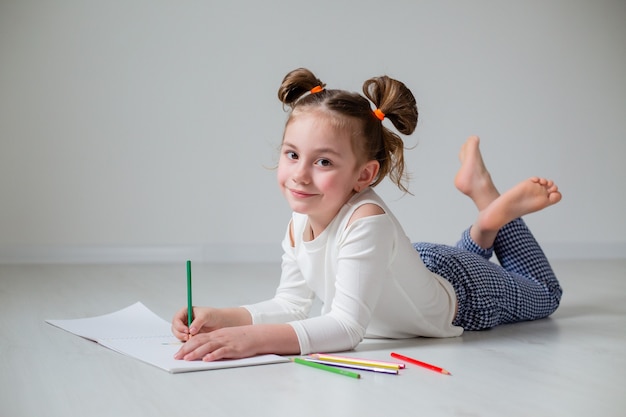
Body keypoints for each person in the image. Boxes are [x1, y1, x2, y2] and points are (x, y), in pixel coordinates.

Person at [172, 68, 563, 362]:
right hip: (418, 267)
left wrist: (251, 342)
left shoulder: (368, 221)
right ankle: (483, 215)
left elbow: (346, 328)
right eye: (292, 155)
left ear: (364, 175)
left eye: (322, 161)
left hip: (469, 296)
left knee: (547, 295)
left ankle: (488, 205)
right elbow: (291, 304)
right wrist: (223, 318)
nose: (300, 174)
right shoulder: (300, 221)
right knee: (446, 273)